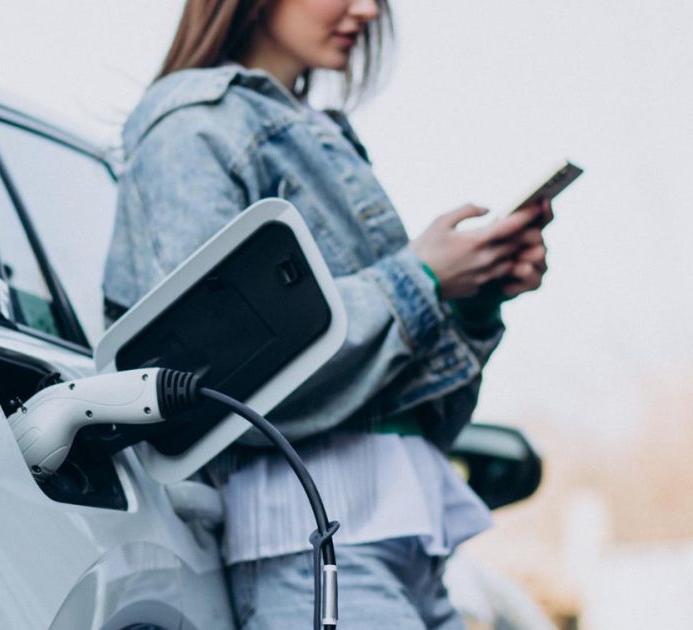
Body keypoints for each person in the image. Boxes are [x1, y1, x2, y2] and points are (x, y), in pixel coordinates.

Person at [102, 0, 552, 628]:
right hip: (316, 549)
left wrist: (472, 302)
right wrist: (418, 279)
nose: (366, 9)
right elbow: (212, 381)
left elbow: (410, 410)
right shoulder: (193, 126)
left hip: (399, 553)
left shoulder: (315, 132)